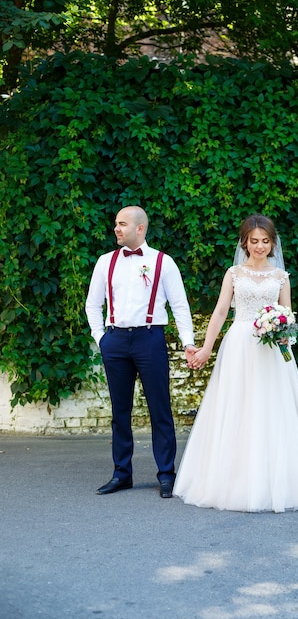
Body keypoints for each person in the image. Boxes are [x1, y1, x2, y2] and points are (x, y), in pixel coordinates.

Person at [174, 214, 298, 512]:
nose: (259, 246)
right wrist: (207, 347)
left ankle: (282, 481)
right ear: (245, 243)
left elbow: (287, 313)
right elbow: (221, 311)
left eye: (265, 241)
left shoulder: (280, 277)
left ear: (272, 243)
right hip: (239, 344)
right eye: (254, 241)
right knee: (237, 407)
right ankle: (233, 481)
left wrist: (284, 334)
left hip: (272, 348)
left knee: (273, 409)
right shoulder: (233, 273)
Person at [85, 206, 196, 497]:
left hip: (150, 339)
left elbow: (180, 306)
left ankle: (166, 475)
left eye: (122, 224)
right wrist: (102, 340)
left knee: (160, 410)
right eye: (116, 224)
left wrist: (187, 343)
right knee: (120, 411)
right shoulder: (105, 262)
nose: (116, 229)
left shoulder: (163, 262)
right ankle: (122, 473)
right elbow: (92, 304)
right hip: (116, 342)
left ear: (140, 228)